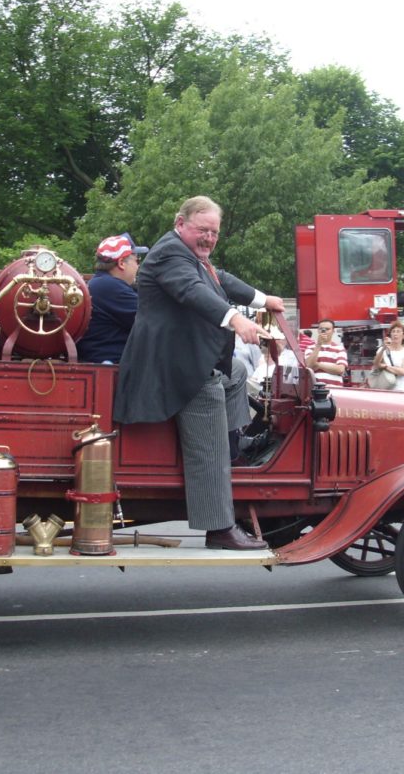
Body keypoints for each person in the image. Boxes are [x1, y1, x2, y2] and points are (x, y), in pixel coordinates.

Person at [113, 196, 284, 550]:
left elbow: (218, 281)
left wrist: (263, 299)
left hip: (187, 357)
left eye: (214, 233)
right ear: (181, 223)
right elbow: (192, 293)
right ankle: (219, 528)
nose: (208, 238)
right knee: (209, 430)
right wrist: (236, 319)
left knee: (236, 371)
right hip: (174, 366)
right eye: (202, 230)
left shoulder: (193, 257)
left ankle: (235, 446)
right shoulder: (170, 255)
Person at [76, 233, 145, 364]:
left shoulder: (102, 284)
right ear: (121, 263)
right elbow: (149, 319)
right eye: (137, 260)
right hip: (110, 365)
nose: (138, 266)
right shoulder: (110, 287)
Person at [371, 319, 404, 392]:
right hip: (383, 389)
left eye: (398, 331)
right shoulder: (382, 349)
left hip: (400, 389)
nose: (395, 334)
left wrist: (385, 366)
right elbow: (376, 364)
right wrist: (383, 348)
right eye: (393, 331)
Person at [305, 318, 347, 388]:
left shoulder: (339, 348)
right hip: (315, 390)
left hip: (335, 389)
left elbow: (340, 369)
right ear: (318, 331)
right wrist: (318, 345)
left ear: (333, 331)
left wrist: (318, 365)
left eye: (327, 329)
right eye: (321, 329)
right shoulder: (310, 348)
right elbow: (309, 366)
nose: (324, 331)